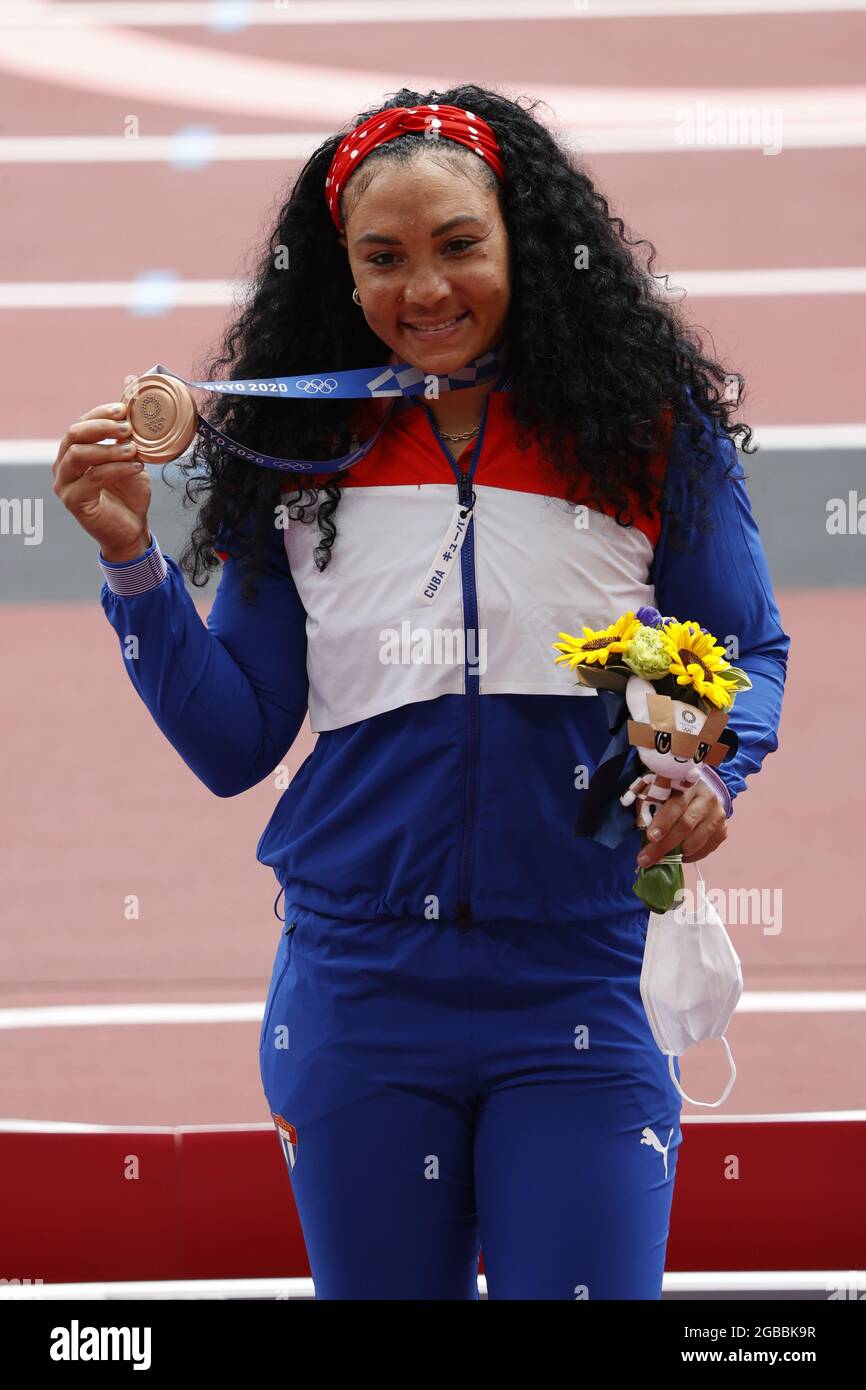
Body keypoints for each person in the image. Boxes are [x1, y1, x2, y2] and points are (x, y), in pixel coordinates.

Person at [53, 85, 790, 1301]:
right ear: (340, 273)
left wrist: (712, 772)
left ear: (522, 243)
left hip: (580, 973)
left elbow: (742, 648)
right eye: (382, 259)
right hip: (360, 983)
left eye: (459, 245)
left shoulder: (638, 428)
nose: (424, 290)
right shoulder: (301, 449)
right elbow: (235, 742)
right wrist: (134, 567)